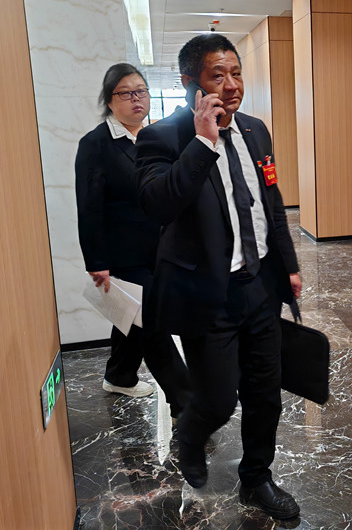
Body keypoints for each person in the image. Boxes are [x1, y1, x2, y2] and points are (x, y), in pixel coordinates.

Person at [135, 34, 302, 520]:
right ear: (190, 82)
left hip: (259, 285)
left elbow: (271, 202)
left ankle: (257, 478)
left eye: (236, 73)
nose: (231, 85)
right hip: (207, 294)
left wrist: (289, 264)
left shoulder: (255, 130)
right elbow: (158, 203)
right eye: (217, 75)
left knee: (265, 392)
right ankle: (190, 434)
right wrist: (204, 141)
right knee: (217, 399)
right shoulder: (163, 137)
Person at [74, 63, 191, 419]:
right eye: (126, 93)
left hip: (161, 248)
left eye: (141, 91)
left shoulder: (158, 137)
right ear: (109, 100)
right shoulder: (96, 145)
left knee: (132, 316)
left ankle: (119, 375)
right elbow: (89, 208)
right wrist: (96, 261)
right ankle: (186, 403)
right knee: (152, 324)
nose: (136, 99)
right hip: (123, 253)